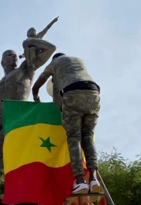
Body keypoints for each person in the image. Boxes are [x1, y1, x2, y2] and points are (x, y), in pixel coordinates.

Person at [33, 53, 101, 196]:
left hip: (72, 93)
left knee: (74, 137)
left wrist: (35, 96)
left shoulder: (55, 63)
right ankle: (94, 178)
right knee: (88, 136)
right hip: (94, 92)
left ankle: (80, 180)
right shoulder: (79, 60)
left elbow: (38, 84)